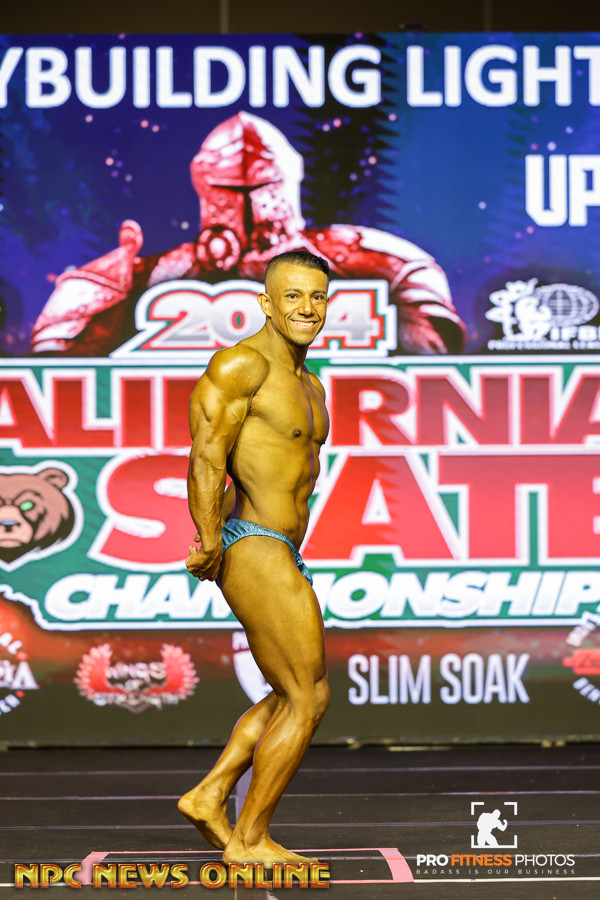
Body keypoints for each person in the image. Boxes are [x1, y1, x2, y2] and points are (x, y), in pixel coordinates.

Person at [30, 112, 465, 357]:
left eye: (261, 187)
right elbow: (57, 363)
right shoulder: (157, 271)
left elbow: (431, 359)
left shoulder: (370, 259)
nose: (246, 203)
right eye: (228, 190)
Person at [178, 249, 331, 866]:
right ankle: (248, 841)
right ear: (266, 303)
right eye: (292, 295)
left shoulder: (310, 384)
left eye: (317, 297)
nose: (306, 308)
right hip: (251, 539)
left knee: (289, 691)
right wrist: (208, 536)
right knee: (307, 697)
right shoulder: (241, 365)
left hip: (283, 547)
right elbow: (206, 454)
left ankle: (209, 795)